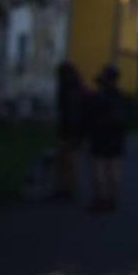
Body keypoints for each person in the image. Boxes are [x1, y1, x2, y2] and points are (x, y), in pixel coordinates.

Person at [87, 65, 128, 212]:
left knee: (100, 168)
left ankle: (101, 199)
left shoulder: (99, 96)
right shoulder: (120, 96)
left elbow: (91, 115)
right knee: (114, 167)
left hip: (101, 135)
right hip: (116, 135)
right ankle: (113, 198)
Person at [53, 63, 89, 199]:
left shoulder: (67, 91)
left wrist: (66, 132)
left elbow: (69, 114)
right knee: (72, 161)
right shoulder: (79, 88)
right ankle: (69, 187)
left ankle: (66, 189)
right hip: (78, 131)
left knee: (66, 161)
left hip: (69, 131)